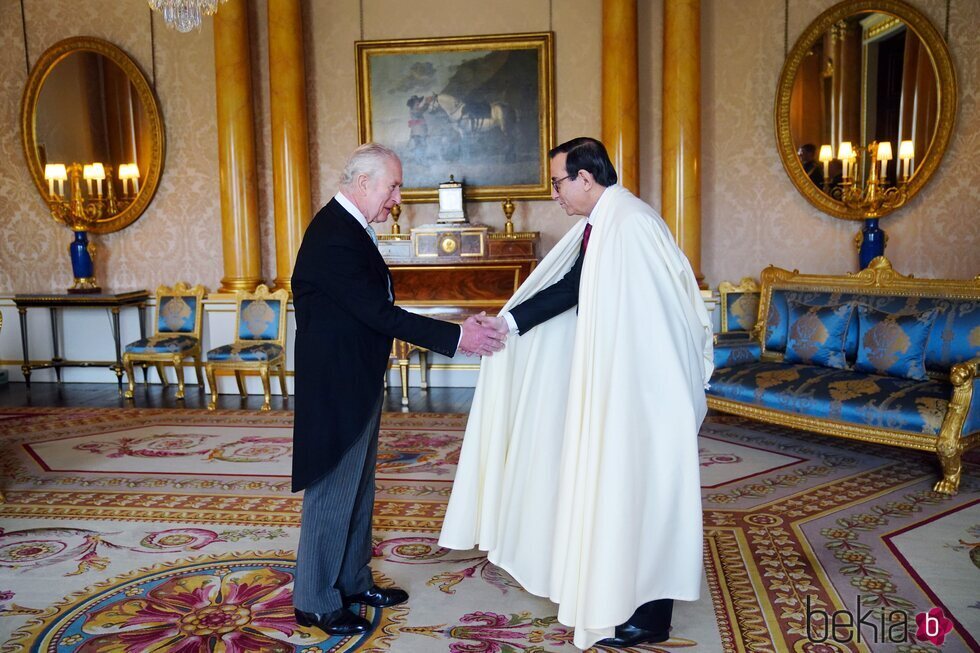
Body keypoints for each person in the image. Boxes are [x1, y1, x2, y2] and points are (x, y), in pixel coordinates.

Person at [438, 137, 713, 649]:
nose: (556, 196)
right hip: (626, 387)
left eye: (559, 184)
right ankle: (629, 601)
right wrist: (507, 325)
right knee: (623, 492)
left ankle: (651, 619)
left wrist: (633, 390)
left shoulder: (630, 225)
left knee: (643, 492)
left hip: (644, 392)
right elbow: (572, 289)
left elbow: (658, 318)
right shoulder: (603, 225)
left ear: (586, 178)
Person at [290, 143, 507, 637]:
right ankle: (315, 600)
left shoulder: (350, 228)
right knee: (332, 489)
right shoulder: (333, 235)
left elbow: (371, 309)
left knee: (359, 489)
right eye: (393, 187)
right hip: (336, 385)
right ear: (363, 182)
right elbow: (379, 313)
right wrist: (458, 337)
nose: (397, 199)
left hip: (356, 379)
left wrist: (454, 330)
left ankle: (351, 580)